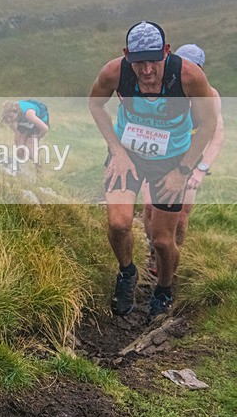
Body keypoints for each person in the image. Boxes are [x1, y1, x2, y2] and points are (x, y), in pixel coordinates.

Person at [89, 21, 217, 323]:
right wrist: (117, 151)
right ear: (126, 55)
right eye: (138, 62)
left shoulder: (188, 76)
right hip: (128, 154)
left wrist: (183, 170)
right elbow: (96, 105)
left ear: (167, 51)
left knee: (162, 240)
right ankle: (127, 272)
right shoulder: (114, 72)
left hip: (172, 160)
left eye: (153, 60)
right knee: (119, 223)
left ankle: (163, 289)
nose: (146, 70)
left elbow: (208, 125)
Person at [142, 44, 224, 275]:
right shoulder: (162, 89)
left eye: (193, 66)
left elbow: (217, 136)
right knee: (150, 207)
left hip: (190, 161)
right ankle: (154, 249)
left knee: (182, 213)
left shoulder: (210, 95)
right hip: (159, 158)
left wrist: (200, 170)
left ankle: (170, 255)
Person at [1, 99, 50, 168]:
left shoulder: (29, 114)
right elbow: (10, 123)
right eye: (7, 117)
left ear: (17, 112)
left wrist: (37, 137)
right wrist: (17, 133)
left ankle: (39, 169)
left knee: (31, 147)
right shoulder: (8, 115)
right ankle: (20, 168)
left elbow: (45, 128)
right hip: (25, 121)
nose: (9, 119)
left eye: (11, 117)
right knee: (19, 146)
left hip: (39, 120)